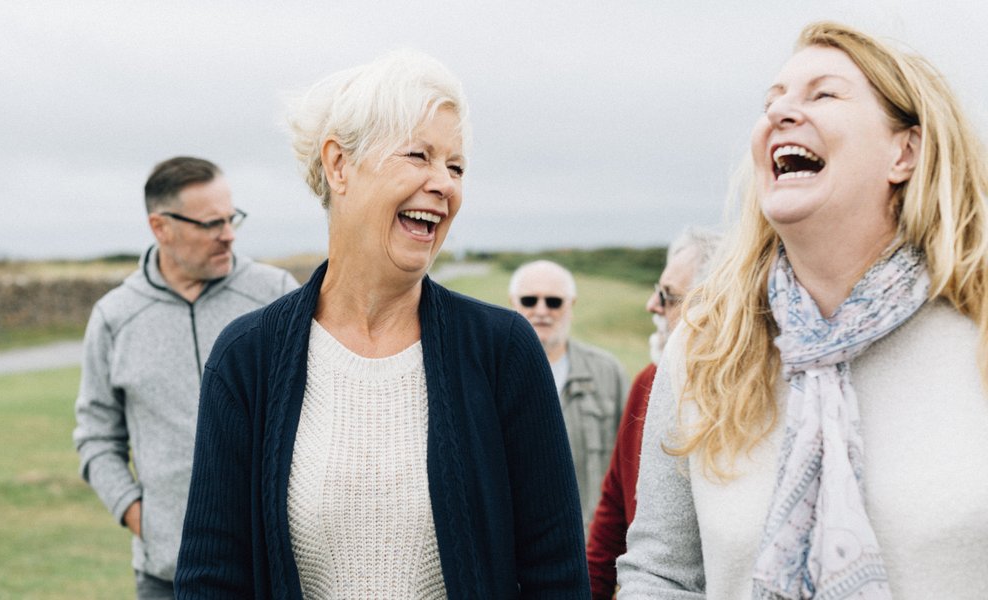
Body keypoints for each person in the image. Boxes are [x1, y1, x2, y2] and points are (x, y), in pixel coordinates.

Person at [174, 50, 591, 598]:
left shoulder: (503, 351)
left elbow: (555, 574)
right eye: (419, 155)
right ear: (339, 165)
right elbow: (210, 577)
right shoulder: (248, 358)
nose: (444, 184)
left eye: (457, 166)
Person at [618, 21, 988, 599]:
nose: (781, 114)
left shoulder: (977, 334)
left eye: (823, 94)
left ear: (905, 151)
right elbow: (662, 572)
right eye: (772, 102)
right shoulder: (707, 345)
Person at [73, 156, 298, 599]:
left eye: (232, 218)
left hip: (270, 572)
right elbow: (97, 438)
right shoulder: (114, 318)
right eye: (212, 223)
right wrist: (140, 516)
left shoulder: (276, 296)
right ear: (161, 227)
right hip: (165, 578)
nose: (229, 234)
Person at [585, 226, 720, 599]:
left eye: (668, 297)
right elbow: (612, 511)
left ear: (715, 306)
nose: (652, 305)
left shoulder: (742, 401)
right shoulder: (647, 382)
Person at [507, 260, 628, 536]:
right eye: (529, 300)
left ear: (571, 306)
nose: (541, 311)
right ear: (512, 303)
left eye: (553, 302)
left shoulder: (607, 373)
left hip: (590, 546)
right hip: (516, 549)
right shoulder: (490, 373)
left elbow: (631, 468)